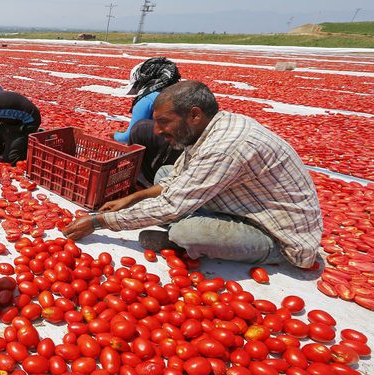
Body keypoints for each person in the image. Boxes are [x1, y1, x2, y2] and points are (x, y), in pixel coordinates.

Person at [63, 81, 323, 269]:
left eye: (164, 121)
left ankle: (263, 251)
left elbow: (172, 204)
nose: (157, 131)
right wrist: (133, 199)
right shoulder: (207, 129)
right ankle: (190, 227)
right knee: (165, 173)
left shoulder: (225, 148)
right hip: (249, 205)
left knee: (187, 232)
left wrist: (100, 221)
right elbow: (175, 177)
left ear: (194, 115)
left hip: (276, 233)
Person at [114, 57, 182, 185]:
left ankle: (141, 181)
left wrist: (115, 135)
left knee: (140, 129)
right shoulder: (180, 93)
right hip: (185, 152)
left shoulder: (148, 98)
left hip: (168, 151)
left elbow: (128, 135)